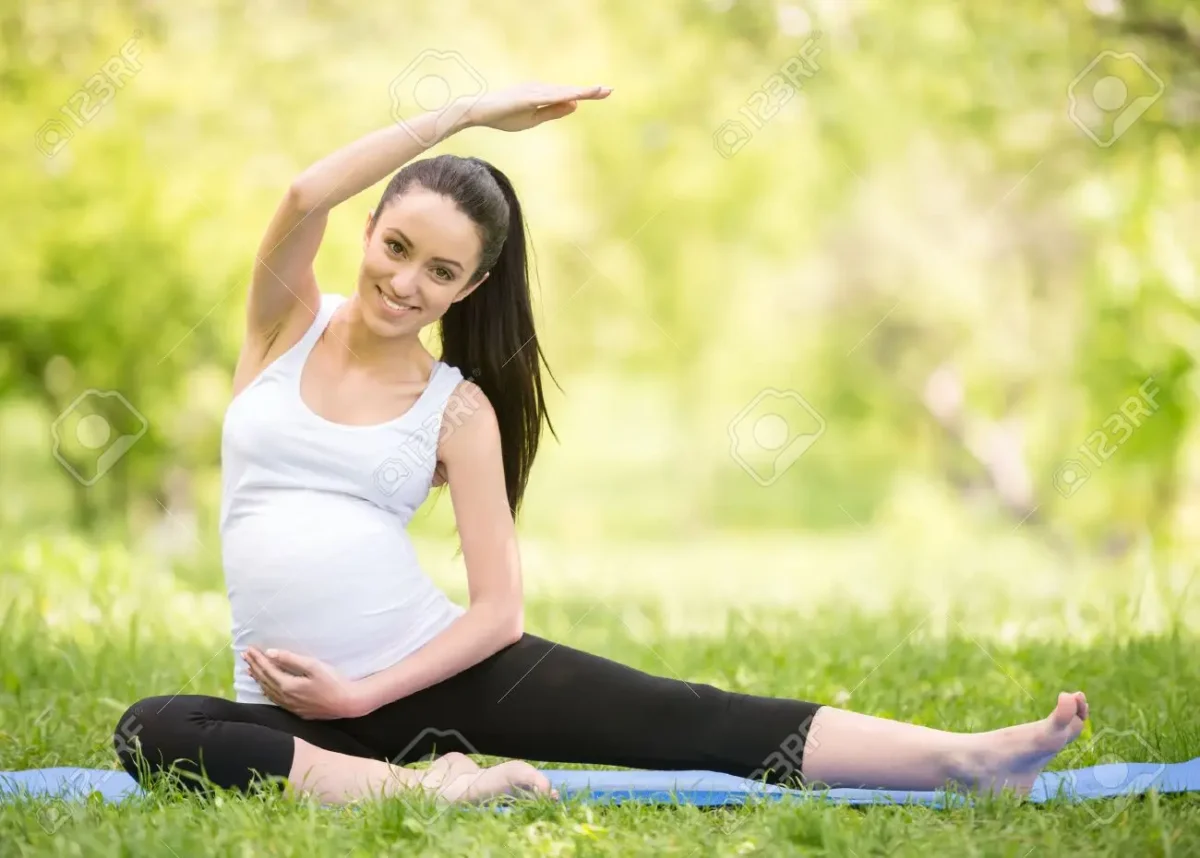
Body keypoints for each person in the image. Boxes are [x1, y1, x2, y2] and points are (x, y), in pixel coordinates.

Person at [114, 82, 1090, 807]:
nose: (406, 281)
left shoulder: (457, 410)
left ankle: (970, 760)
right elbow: (299, 192)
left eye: (441, 270)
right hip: (293, 714)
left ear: (470, 287)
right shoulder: (283, 326)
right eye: (397, 246)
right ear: (366, 231)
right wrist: (460, 116)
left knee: (689, 716)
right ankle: (426, 791)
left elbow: (497, 612)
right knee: (155, 728)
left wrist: (363, 687)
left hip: (425, 673)